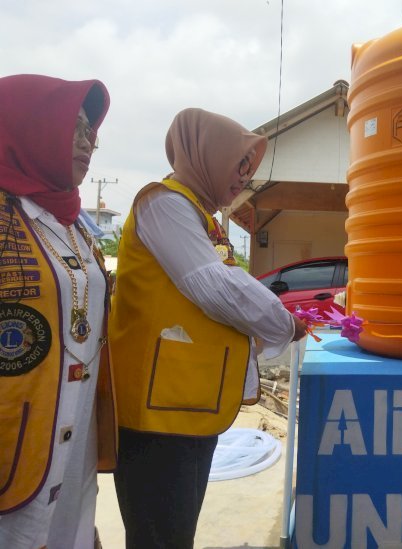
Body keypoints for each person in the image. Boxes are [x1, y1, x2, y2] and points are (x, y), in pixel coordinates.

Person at [109, 107, 307, 548]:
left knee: (174, 531)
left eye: (247, 170)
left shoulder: (198, 213)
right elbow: (214, 286)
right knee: (160, 534)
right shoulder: (164, 203)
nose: (242, 179)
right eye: (236, 165)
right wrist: (284, 322)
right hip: (157, 414)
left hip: (186, 402)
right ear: (206, 156)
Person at [0, 74, 116, 548]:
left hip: (75, 424)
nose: (89, 141)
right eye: (76, 126)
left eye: (92, 131)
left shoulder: (73, 224)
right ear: (31, 126)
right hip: (14, 430)